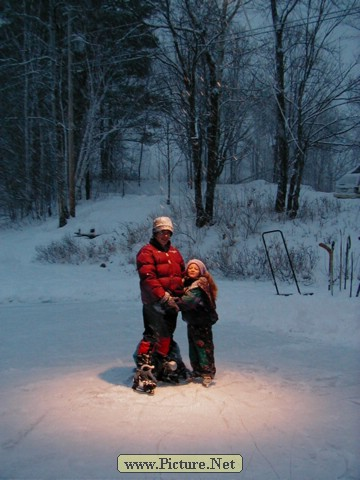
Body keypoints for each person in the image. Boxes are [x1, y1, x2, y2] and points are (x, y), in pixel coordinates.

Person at [133, 216, 188, 391]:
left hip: (172, 302)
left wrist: (183, 294)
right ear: (155, 232)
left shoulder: (174, 252)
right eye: (161, 232)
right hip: (154, 302)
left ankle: (161, 361)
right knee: (152, 334)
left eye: (168, 232)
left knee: (166, 335)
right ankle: (143, 365)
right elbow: (148, 277)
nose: (165, 235)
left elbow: (181, 274)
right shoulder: (146, 251)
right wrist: (162, 296)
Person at [176, 259, 218, 387]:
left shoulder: (200, 284)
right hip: (193, 321)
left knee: (203, 347)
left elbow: (188, 301)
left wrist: (171, 302)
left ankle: (207, 372)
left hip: (202, 321)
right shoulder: (188, 282)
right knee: (193, 346)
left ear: (201, 271)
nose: (192, 270)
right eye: (190, 268)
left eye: (195, 268)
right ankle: (197, 370)